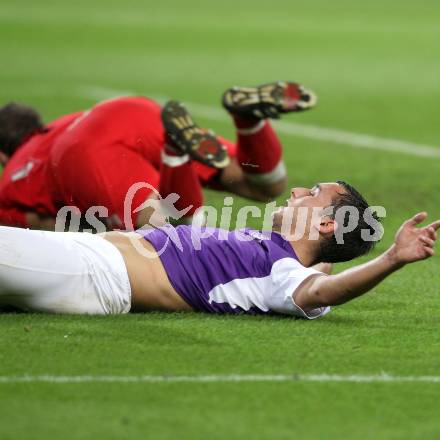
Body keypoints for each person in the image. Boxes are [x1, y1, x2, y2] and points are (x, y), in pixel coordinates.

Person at [0, 180, 438, 318]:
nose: (300, 188)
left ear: (325, 222)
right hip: (81, 251)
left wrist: (391, 259)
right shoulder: (278, 251)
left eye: (315, 192)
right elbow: (324, 265)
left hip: (94, 274)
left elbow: (323, 292)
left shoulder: (283, 275)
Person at [0, 81, 316, 231]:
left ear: (4, 154)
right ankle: (249, 121)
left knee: (167, 238)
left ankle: (175, 152)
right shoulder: (59, 122)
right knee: (261, 185)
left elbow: (54, 229)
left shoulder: (11, 181)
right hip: (126, 111)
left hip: (78, 153)